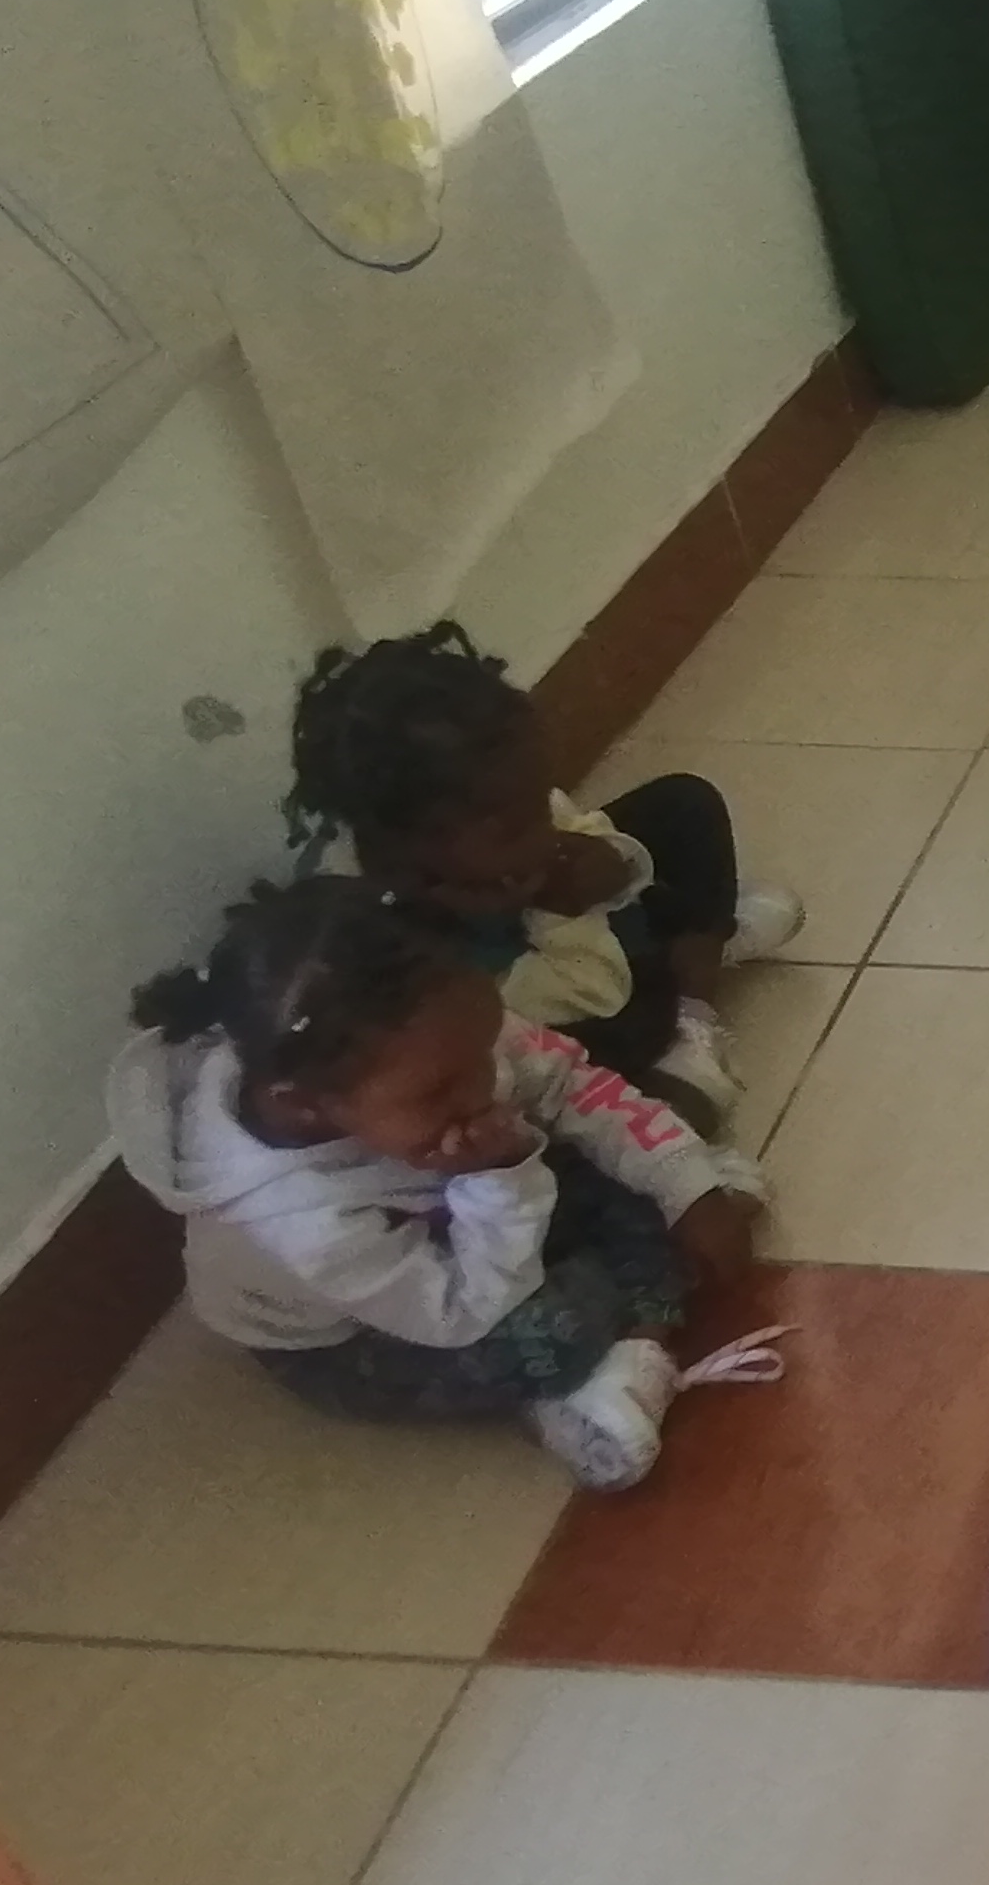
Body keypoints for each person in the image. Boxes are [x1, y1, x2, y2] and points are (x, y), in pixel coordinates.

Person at [109, 876, 769, 1491]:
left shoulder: (433, 1033)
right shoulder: (296, 1225)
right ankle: (613, 1368)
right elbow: (459, 1311)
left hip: (455, 1215)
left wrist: (686, 1183)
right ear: (304, 1106)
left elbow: (569, 1084)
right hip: (367, 1335)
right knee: (560, 1324)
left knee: (629, 1167)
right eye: (442, 1090)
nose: (488, 1084)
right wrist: (500, 1176)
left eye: (485, 1048)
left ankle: (637, 1272)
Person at [285, 622, 803, 1128]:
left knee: (684, 804)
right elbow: (596, 994)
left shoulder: (506, 823)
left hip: (603, 930)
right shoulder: (429, 959)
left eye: (540, 798)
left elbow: (579, 828)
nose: (545, 829)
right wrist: (555, 915)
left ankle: (693, 1000)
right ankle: (681, 1012)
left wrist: (616, 861)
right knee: (622, 1045)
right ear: (407, 855)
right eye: (516, 826)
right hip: (588, 1000)